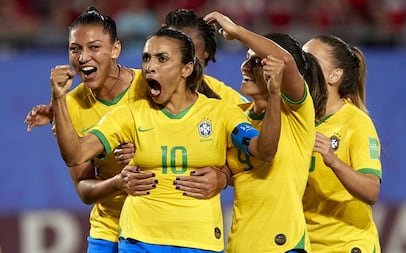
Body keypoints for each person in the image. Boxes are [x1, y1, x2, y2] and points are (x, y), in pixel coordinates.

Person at [50, 25, 282, 252]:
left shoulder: (221, 112)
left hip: (201, 241)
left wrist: (274, 95)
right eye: (146, 58)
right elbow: (76, 154)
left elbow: (264, 151)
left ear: (186, 68)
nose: (150, 67)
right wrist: (59, 98)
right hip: (139, 240)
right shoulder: (130, 114)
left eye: (162, 59)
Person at [23, 7, 232, 253]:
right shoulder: (70, 107)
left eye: (94, 47)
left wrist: (223, 176)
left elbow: (210, 131)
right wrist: (118, 183)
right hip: (109, 229)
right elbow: (83, 188)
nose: (83, 58)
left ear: (116, 49)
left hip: (161, 227)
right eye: (75, 49)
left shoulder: (153, 84)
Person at [206, 14, 323, 251]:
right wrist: (221, 177)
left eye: (256, 61)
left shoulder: (296, 112)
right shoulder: (237, 115)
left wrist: (237, 31)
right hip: (240, 244)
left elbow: (286, 60)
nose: (245, 66)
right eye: (246, 58)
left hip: (285, 244)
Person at [302, 35, 382, 253]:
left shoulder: (356, 123)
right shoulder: (300, 119)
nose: (302, 65)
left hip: (347, 245)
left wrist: (333, 160)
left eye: (310, 59)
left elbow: (371, 190)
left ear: (334, 75)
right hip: (307, 244)